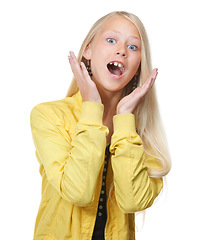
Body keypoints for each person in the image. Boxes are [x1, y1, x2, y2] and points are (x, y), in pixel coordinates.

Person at [30, 11, 171, 240]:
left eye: (133, 47)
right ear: (87, 50)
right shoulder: (49, 116)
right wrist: (92, 108)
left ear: (138, 66)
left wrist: (125, 120)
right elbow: (77, 192)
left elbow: (133, 201)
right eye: (111, 40)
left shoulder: (144, 135)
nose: (122, 50)